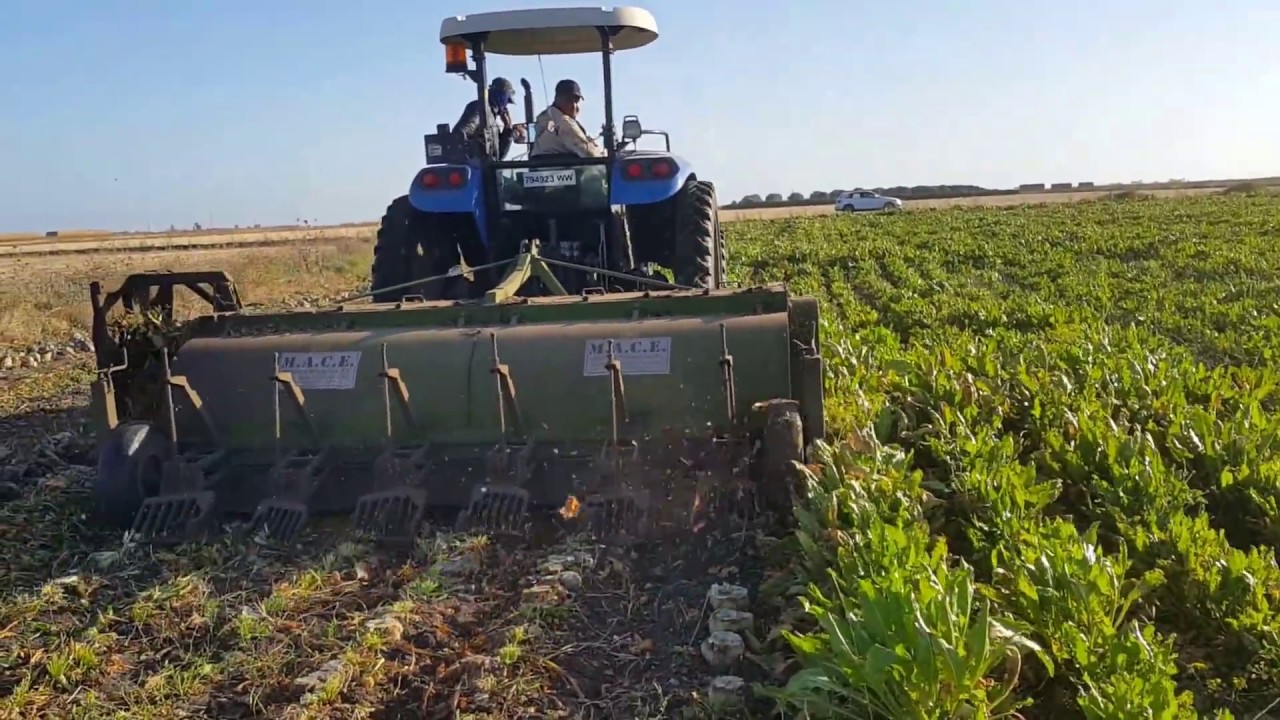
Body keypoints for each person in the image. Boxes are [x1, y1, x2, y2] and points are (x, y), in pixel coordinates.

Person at [453, 76, 526, 160]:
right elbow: (460, 132)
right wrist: (474, 155)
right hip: (477, 167)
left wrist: (508, 128)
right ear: (502, 96)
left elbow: (499, 156)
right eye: (507, 100)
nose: (506, 105)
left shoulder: (492, 120)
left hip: (489, 168)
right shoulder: (480, 108)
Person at [530, 79, 606, 158]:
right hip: (561, 169)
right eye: (568, 100)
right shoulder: (564, 123)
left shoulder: (543, 119)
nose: (574, 106)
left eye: (576, 101)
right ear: (557, 99)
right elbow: (590, 155)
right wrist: (604, 154)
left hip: (541, 169)